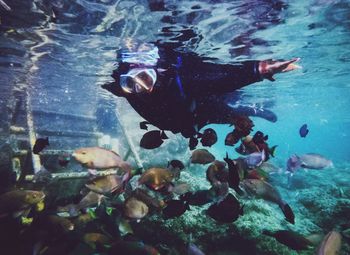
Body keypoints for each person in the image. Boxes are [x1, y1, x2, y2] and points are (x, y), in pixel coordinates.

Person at [102, 42, 300, 146]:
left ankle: (257, 111)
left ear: (157, 75)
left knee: (229, 113)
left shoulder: (180, 83)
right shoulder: (125, 90)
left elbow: (223, 79)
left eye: (145, 79)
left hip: (201, 109)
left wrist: (263, 69)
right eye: (130, 83)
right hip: (184, 124)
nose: (141, 88)